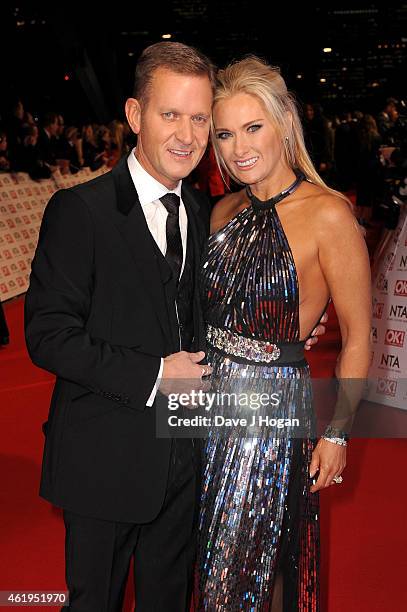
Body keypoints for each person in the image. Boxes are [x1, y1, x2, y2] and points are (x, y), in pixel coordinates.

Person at [24, 43, 324, 611]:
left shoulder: (204, 205)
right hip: (103, 461)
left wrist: (283, 325)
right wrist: (154, 375)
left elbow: (214, 309)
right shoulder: (79, 212)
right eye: (170, 115)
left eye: (199, 118)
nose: (187, 135)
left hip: (186, 462)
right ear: (136, 116)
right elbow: (48, 335)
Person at [196, 57, 371, 610]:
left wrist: (338, 433)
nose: (238, 146)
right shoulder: (219, 211)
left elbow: (361, 337)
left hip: (270, 410)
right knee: (204, 558)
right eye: (224, 133)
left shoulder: (329, 215)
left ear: (284, 126)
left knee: (259, 559)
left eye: (253, 128)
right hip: (201, 403)